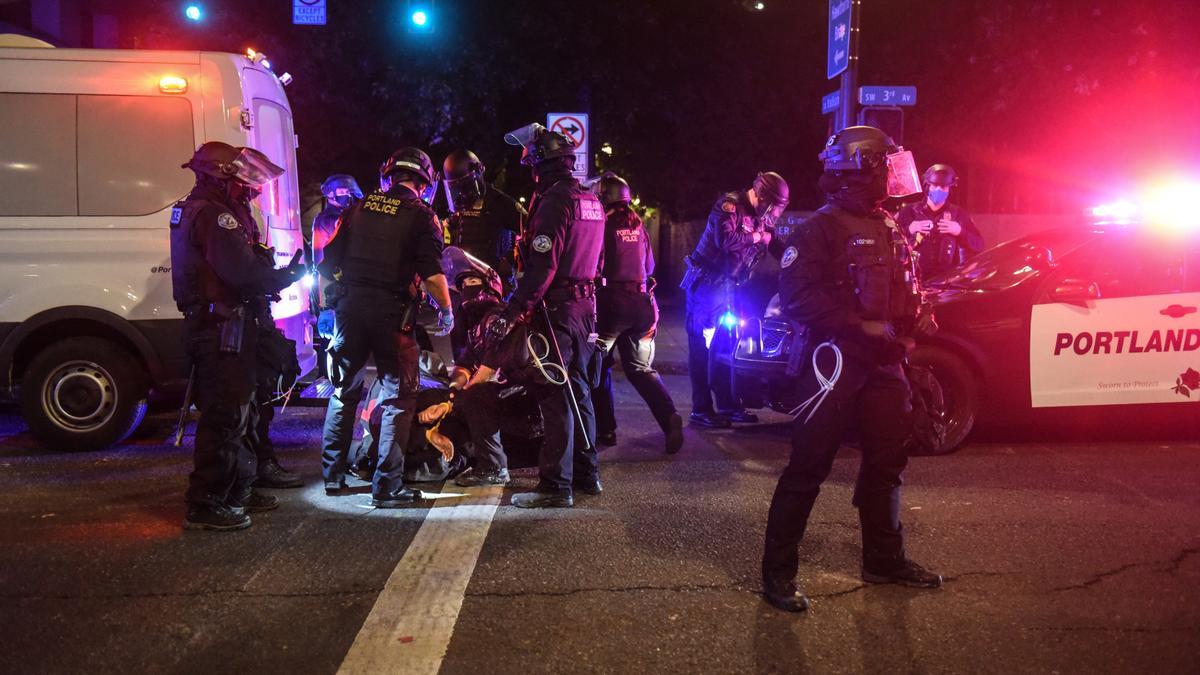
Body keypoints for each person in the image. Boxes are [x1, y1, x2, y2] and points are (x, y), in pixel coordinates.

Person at [761, 126, 942, 613]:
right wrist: (858, 326)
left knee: (887, 464)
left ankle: (884, 560)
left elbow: (903, 284)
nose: (895, 175)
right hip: (834, 364)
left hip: (885, 365)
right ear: (861, 168)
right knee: (808, 468)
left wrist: (917, 314)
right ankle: (777, 574)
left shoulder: (887, 223)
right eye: (887, 164)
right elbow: (798, 299)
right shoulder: (819, 228)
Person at [170, 141, 305, 530]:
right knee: (226, 415)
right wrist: (284, 276)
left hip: (223, 324)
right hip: (220, 328)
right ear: (221, 178)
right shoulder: (214, 216)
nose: (252, 190)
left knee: (241, 410)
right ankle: (207, 502)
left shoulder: (203, 208)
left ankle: (236, 489)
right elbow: (241, 273)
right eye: (245, 183)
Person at [317, 147, 454, 508]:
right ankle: (387, 486)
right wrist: (447, 310)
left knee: (343, 390)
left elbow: (327, 263)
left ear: (387, 177)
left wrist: (328, 308)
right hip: (391, 316)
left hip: (349, 309)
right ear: (424, 184)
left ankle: (333, 476)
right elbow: (433, 275)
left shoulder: (357, 209)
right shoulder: (422, 216)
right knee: (397, 398)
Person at [495, 123, 605, 508]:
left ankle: (556, 485)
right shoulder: (591, 200)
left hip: (557, 308)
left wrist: (514, 310)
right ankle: (587, 474)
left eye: (531, 166)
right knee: (579, 388)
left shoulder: (555, 200)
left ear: (541, 165)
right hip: (585, 307)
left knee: (554, 392)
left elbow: (543, 266)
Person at [681, 172, 789, 428]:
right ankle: (701, 409)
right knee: (701, 349)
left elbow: (776, 244)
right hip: (706, 287)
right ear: (761, 195)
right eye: (773, 206)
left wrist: (798, 256)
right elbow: (726, 240)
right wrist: (756, 237)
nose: (773, 213)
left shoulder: (761, 217)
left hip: (731, 289)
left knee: (727, 348)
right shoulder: (728, 205)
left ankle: (728, 405)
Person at [590, 173, 683, 454]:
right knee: (641, 369)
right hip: (643, 305)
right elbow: (650, 266)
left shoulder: (602, 225)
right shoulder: (639, 225)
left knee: (598, 364)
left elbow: (593, 265)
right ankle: (669, 418)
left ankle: (605, 430)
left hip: (611, 306)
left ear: (604, 196)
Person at [441, 149, 526, 290]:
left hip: (495, 283)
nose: (464, 191)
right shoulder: (460, 204)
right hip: (462, 282)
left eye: (467, 184)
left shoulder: (500, 203)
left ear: (479, 172)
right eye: (458, 186)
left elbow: (530, 230)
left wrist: (510, 258)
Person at [894, 164, 983, 280]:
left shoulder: (959, 214)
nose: (939, 190)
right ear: (927, 186)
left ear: (950, 189)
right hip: (914, 282)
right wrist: (909, 230)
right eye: (935, 185)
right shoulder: (908, 212)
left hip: (947, 284)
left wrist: (960, 231)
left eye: (944, 187)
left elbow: (979, 245)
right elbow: (888, 244)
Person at [312, 174, 363, 267]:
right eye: (342, 191)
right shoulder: (327, 219)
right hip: (328, 273)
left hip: (333, 270)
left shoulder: (341, 214)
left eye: (348, 192)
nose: (347, 195)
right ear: (331, 194)